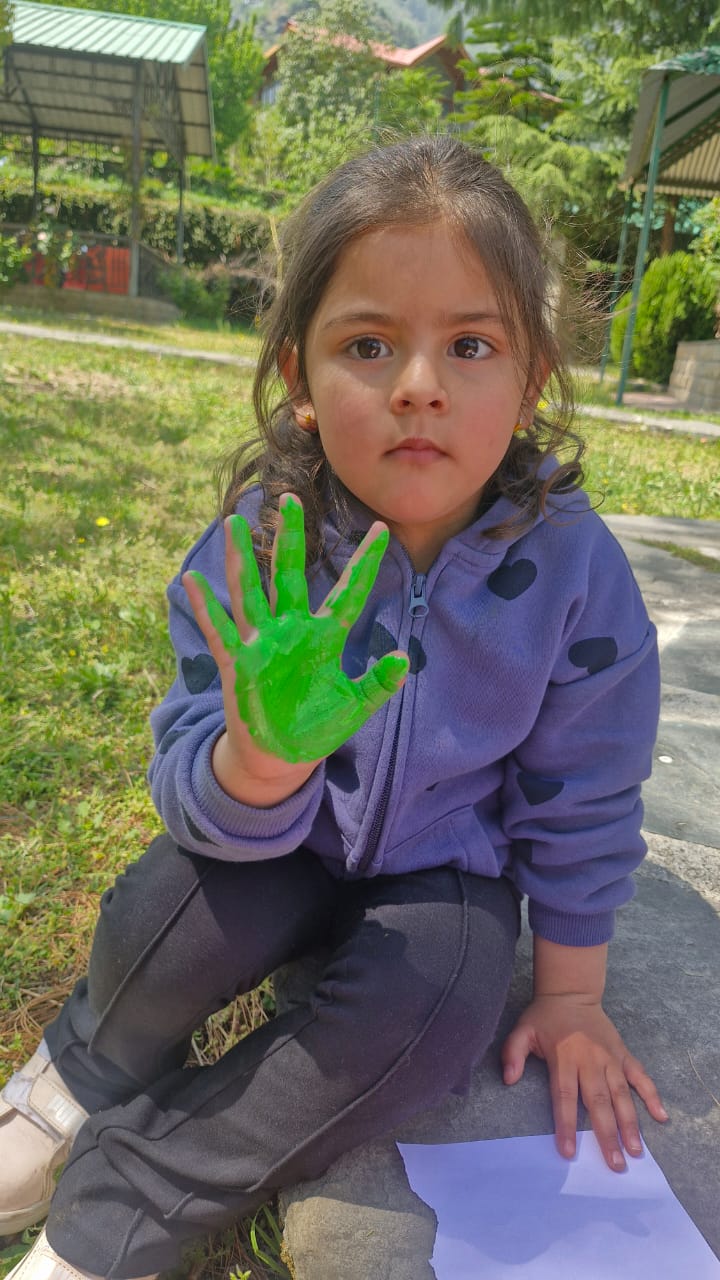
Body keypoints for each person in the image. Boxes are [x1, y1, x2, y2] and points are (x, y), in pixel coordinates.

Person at [1, 135, 667, 1280]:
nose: (420, 383)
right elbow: (185, 773)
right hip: (272, 837)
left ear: (534, 377)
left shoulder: (574, 573)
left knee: (442, 1006)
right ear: (300, 378)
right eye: (369, 343)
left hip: (444, 873)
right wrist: (259, 763)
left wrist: (569, 991)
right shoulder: (261, 548)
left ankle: (119, 1206)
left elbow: (586, 788)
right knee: (175, 908)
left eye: (470, 343)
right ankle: (66, 1090)